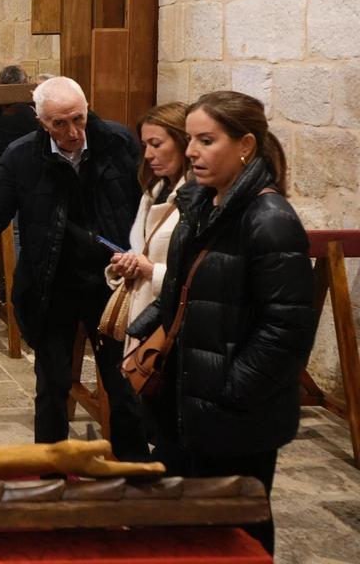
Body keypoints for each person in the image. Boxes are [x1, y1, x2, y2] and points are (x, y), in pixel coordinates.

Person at [126, 92, 315, 555]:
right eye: (190, 139)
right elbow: (185, 292)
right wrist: (146, 334)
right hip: (189, 400)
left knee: (237, 531)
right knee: (187, 527)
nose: (191, 151)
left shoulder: (270, 220)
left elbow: (286, 331)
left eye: (206, 140)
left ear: (245, 144)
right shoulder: (205, 205)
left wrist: (230, 394)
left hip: (232, 416)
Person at [0, 77, 148, 463]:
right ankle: (50, 476)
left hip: (112, 285)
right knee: (51, 386)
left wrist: (142, 253)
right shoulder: (22, 156)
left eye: (78, 119)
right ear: (41, 122)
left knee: (122, 387)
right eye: (59, 124)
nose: (72, 132)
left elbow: (146, 204)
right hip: (52, 284)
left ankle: (136, 478)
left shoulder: (118, 143)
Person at [103, 102, 189, 357]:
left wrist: (151, 270)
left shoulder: (197, 199)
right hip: (145, 317)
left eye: (157, 144)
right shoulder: (153, 191)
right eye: (145, 145)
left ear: (183, 143)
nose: (149, 154)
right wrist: (126, 264)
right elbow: (142, 248)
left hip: (173, 325)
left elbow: (199, 275)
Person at [0, 65, 38, 176]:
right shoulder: (20, 109)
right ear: (21, 84)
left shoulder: (0, 107)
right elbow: (41, 132)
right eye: (27, 80)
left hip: (3, 164)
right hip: (21, 167)